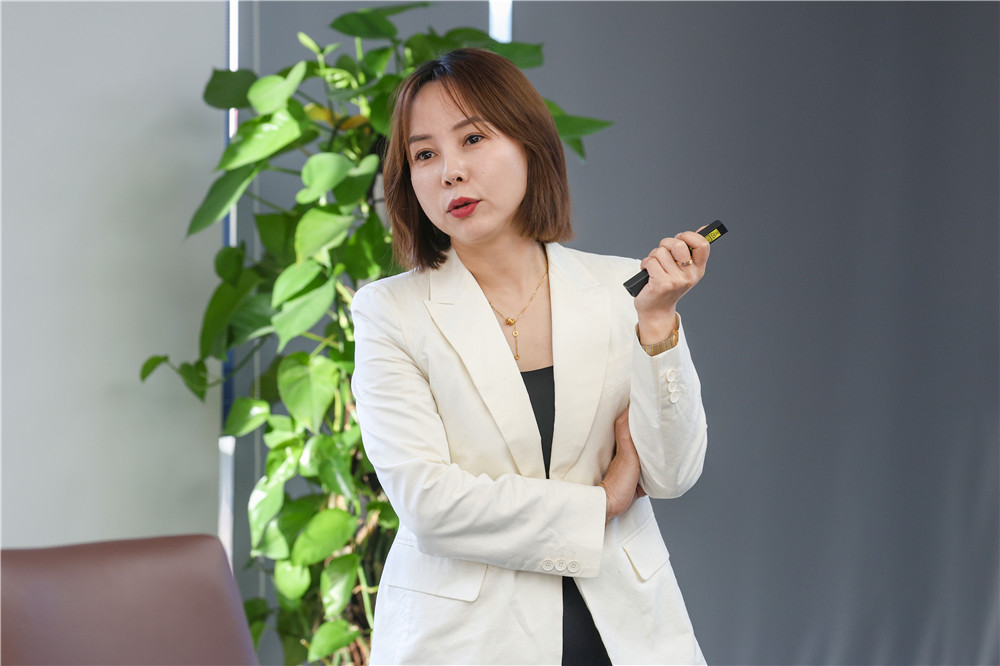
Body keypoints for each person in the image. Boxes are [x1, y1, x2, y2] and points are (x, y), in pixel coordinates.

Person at [351, 48, 710, 665]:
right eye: (425, 154)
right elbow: (430, 505)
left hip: (623, 632)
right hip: (465, 644)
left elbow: (672, 474)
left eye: (473, 139)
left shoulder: (622, 289)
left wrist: (657, 324)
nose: (451, 172)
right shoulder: (390, 312)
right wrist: (601, 504)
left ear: (529, 145)